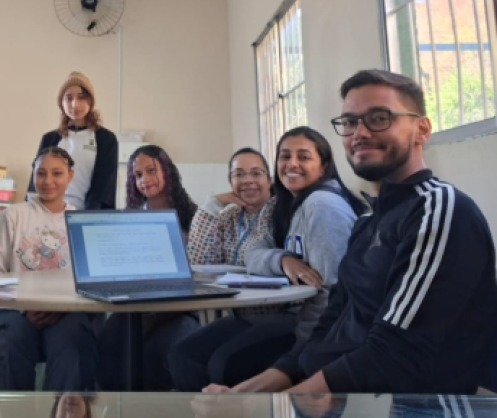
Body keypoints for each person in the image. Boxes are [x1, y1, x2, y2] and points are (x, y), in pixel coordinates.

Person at [205, 69, 497, 395]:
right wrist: (250, 393)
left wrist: (276, 407)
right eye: (349, 122)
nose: (360, 133)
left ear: (422, 129)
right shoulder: (369, 220)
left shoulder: (438, 209)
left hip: (405, 406)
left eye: (379, 118)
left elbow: (393, 355)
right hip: (342, 394)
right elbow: (329, 324)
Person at [171, 127, 365, 391]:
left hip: (311, 327)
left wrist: (303, 352)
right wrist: (282, 260)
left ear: (323, 167)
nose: (292, 164)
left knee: (223, 364)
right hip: (272, 316)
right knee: (183, 354)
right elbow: (252, 252)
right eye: (284, 156)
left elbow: (333, 293)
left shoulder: (322, 207)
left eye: (303, 157)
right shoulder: (289, 206)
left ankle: (225, 407)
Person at [0, 147, 97, 391]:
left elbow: (87, 280)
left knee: (74, 338)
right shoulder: (12, 216)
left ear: (70, 175)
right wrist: (25, 308)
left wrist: (61, 308)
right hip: (15, 311)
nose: (48, 181)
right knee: (11, 337)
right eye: (41, 173)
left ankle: (62, 409)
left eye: (57, 173)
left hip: (66, 312)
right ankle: (17, 411)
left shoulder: (80, 221)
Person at [97, 145, 200, 391]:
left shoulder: (193, 217)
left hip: (179, 309)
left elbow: (202, 270)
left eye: (151, 170)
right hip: (136, 308)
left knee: (157, 353)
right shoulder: (128, 219)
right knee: (107, 344)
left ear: (167, 170)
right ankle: (118, 407)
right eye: (138, 175)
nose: (144, 179)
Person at [28, 71, 118, 210]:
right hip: (49, 213)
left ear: (90, 101)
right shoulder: (50, 139)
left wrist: (86, 217)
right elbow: (36, 181)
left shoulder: (106, 139)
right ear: (61, 103)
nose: (75, 104)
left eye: (81, 97)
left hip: (88, 214)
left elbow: (103, 187)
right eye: (69, 98)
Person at [187, 147, 275, 267]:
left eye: (256, 173)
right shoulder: (227, 217)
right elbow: (199, 262)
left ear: (269, 180)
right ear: (230, 182)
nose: (248, 180)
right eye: (239, 174)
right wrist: (213, 203)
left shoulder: (282, 213)